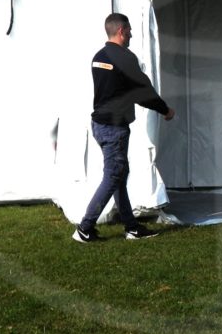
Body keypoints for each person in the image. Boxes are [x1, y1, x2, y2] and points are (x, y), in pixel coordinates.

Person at [73, 13, 175, 243]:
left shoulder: (99, 56)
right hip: (114, 127)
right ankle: (85, 228)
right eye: (129, 30)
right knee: (113, 175)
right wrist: (165, 110)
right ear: (121, 31)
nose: (131, 34)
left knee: (119, 175)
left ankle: (131, 227)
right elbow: (143, 92)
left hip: (99, 124)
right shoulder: (125, 58)